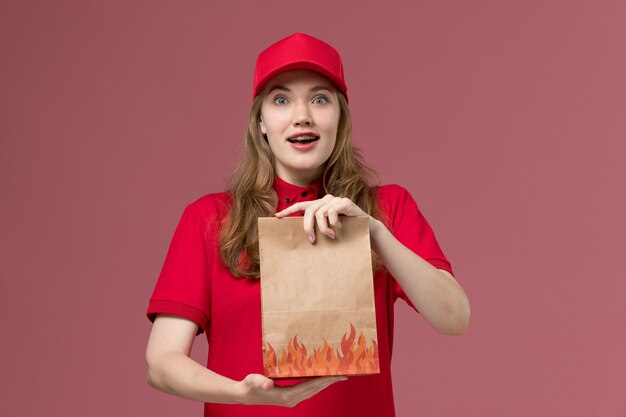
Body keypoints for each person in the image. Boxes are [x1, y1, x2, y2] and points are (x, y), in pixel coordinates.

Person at [145, 33, 470, 417]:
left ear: (340, 118)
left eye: (320, 99)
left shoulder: (387, 207)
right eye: (281, 100)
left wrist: (375, 232)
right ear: (261, 122)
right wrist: (241, 393)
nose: (303, 115)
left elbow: (454, 318)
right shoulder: (210, 219)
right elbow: (161, 362)